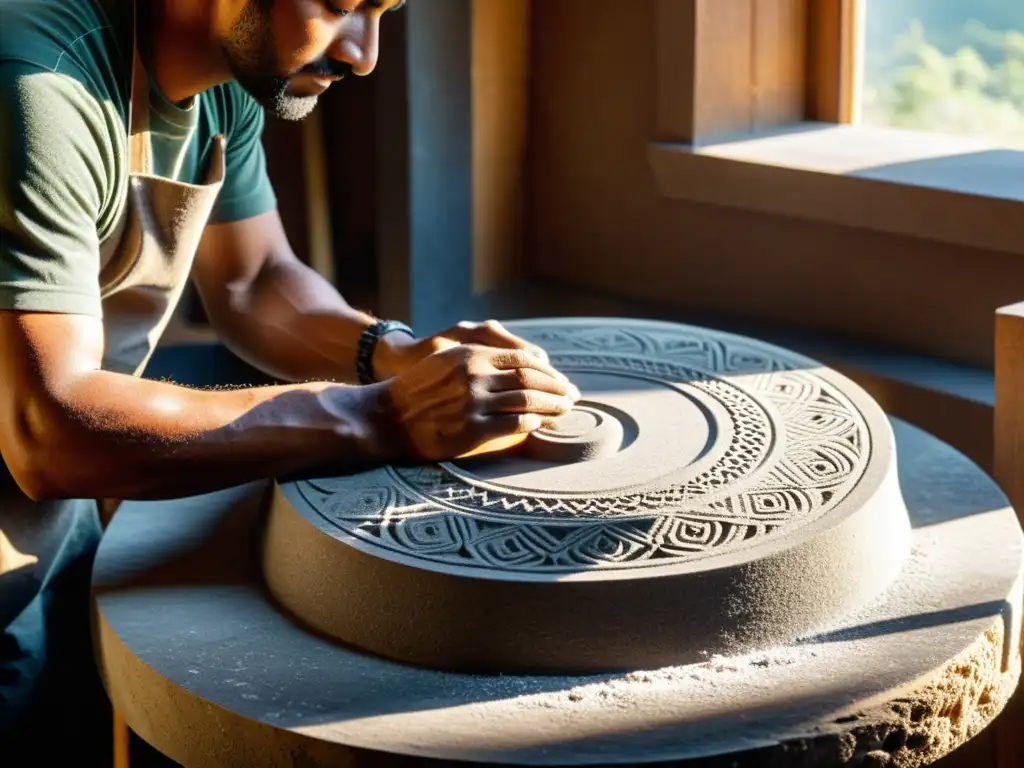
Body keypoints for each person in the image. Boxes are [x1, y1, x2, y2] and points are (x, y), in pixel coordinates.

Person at [0, 0, 579, 759]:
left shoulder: (223, 82)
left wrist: (391, 352)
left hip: (57, 532)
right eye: (342, 5)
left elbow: (256, 280)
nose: (366, 54)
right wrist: (383, 418)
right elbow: (53, 432)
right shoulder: (38, 84)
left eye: (383, 11)